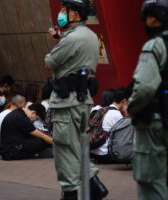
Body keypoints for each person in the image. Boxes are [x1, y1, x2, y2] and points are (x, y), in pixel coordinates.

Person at [44, 0, 108, 199]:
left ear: (74, 14)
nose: (61, 13)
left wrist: (58, 41)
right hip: (83, 99)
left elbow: (50, 61)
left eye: (65, 10)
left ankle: (72, 192)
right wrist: (60, 38)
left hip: (67, 102)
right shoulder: (89, 35)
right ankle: (94, 185)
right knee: (77, 145)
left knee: (65, 149)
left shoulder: (71, 38)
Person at [127, 0, 168, 200]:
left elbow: (145, 87)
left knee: (151, 183)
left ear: (155, 18)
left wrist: (131, 108)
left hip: (154, 125)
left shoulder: (154, 46)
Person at [90, 88, 129, 164]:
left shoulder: (102, 110)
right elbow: (123, 138)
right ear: (124, 101)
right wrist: (127, 113)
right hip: (105, 154)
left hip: (94, 151)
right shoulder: (116, 114)